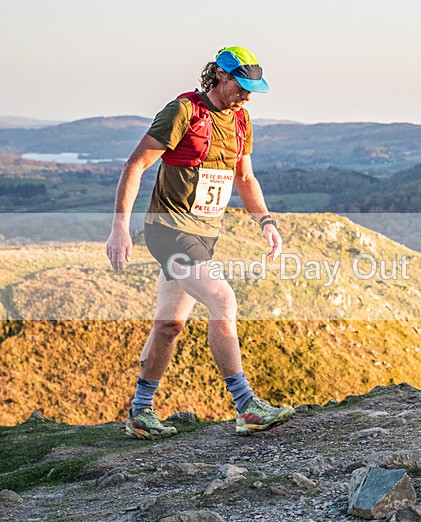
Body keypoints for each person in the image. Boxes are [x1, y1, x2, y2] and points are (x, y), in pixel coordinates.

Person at [106, 46, 295, 439]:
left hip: (203, 236)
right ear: (220, 77)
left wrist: (266, 221)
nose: (247, 95)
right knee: (222, 300)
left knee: (169, 325)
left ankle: (140, 412)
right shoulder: (183, 112)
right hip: (168, 229)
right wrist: (119, 227)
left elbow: (245, 178)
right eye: (242, 87)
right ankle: (246, 406)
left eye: (252, 90)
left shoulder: (242, 121)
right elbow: (134, 164)